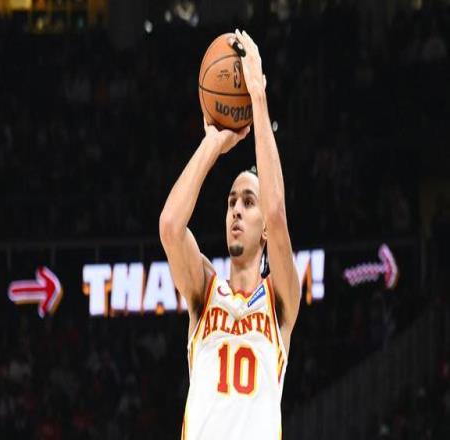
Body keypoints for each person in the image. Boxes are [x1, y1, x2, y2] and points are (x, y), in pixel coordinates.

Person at [159, 29, 300, 440]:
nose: (236, 208)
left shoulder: (280, 301)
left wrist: (257, 97)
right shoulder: (205, 291)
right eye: (231, 201)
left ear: (264, 230)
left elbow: (277, 212)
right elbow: (170, 226)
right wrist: (212, 143)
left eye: (248, 202)